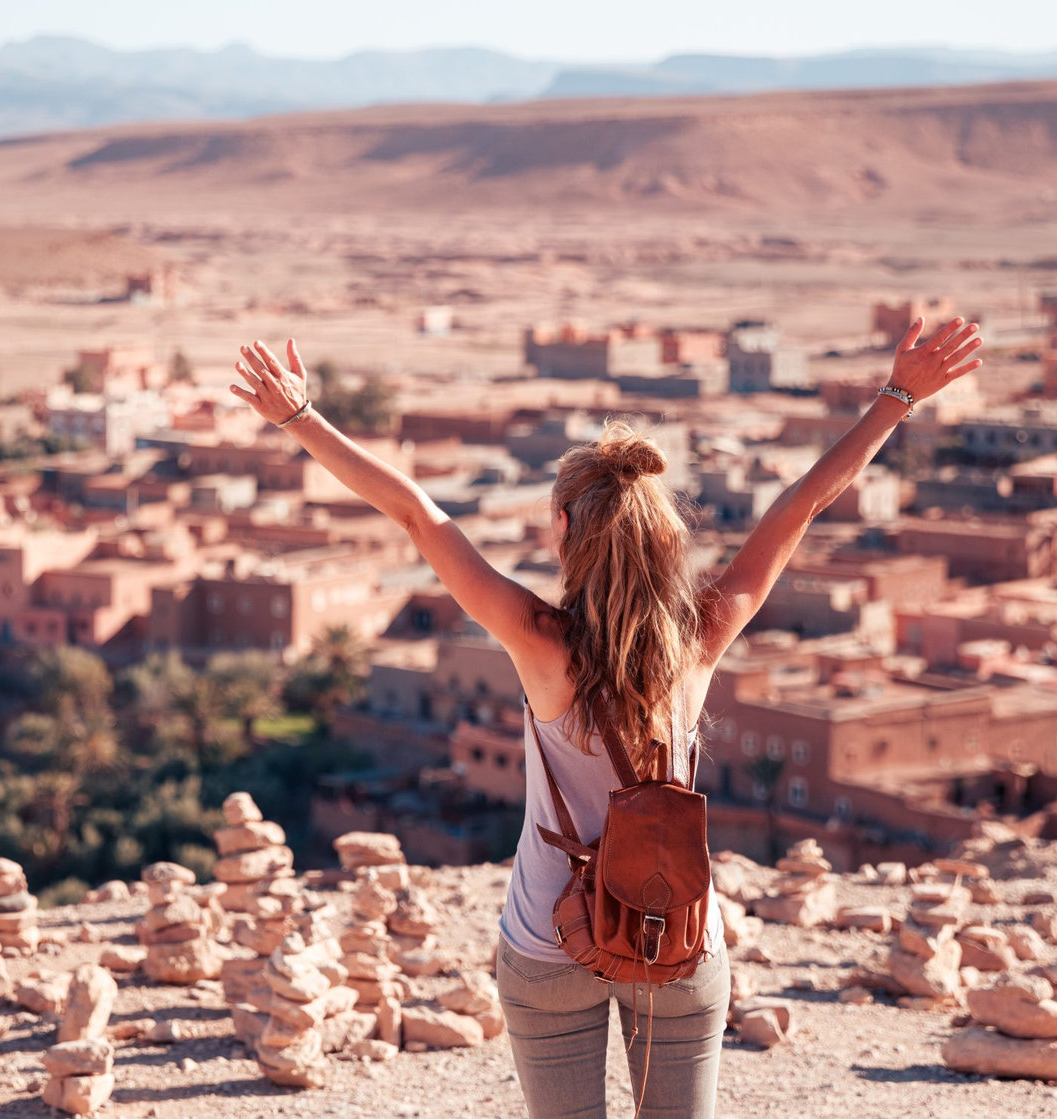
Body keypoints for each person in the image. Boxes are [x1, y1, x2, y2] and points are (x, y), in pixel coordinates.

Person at [230, 316, 983, 1118]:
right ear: (664, 542)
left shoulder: (537, 642)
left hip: (547, 941)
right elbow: (802, 505)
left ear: (563, 533)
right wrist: (898, 395)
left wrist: (299, 417)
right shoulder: (702, 634)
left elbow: (418, 514)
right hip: (678, 933)